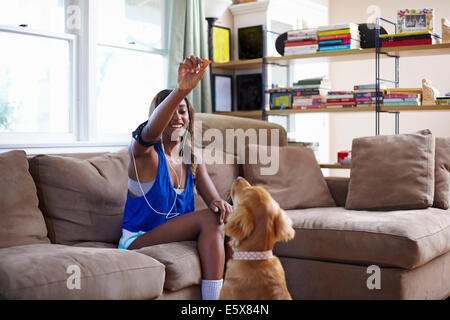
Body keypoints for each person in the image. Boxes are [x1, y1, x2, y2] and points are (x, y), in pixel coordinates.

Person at [118, 56, 233, 300]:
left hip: (175, 234)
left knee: (227, 221)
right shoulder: (145, 155)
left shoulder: (192, 159)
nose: (177, 117)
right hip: (138, 239)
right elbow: (148, 134)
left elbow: (214, 201)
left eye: (182, 111)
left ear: (190, 116)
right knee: (211, 220)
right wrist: (181, 90)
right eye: (170, 112)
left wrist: (222, 205)